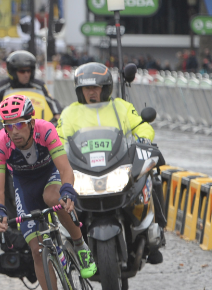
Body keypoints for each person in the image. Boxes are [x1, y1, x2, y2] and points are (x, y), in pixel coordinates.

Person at [0, 95, 96, 290]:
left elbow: (65, 168)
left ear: (30, 121)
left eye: (19, 124)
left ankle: (79, 245)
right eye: (8, 126)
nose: (14, 131)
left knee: (53, 197)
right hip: (24, 187)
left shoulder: (46, 131)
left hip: (50, 176)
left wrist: (68, 189)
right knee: (37, 251)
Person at [56, 63, 165, 251]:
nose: (91, 92)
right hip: (84, 168)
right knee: (54, 185)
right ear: (79, 90)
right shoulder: (70, 112)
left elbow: (141, 126)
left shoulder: (121, 107)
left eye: (95, 87)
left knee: (153, 175)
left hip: (118, 164)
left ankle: (157, 228)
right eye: (86, 88)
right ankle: (63, 236)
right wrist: (55, 151)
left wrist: (144, 139)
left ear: (105, 88)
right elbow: (58, 138)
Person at [0, 51, 62, 121]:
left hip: (36, 128)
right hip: (8, 128)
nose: (26, 74)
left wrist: (57, 114)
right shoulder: (0, 87)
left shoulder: (39, 86)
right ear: (13, 72)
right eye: (22, 71)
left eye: (28, 71)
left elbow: (51, 101)